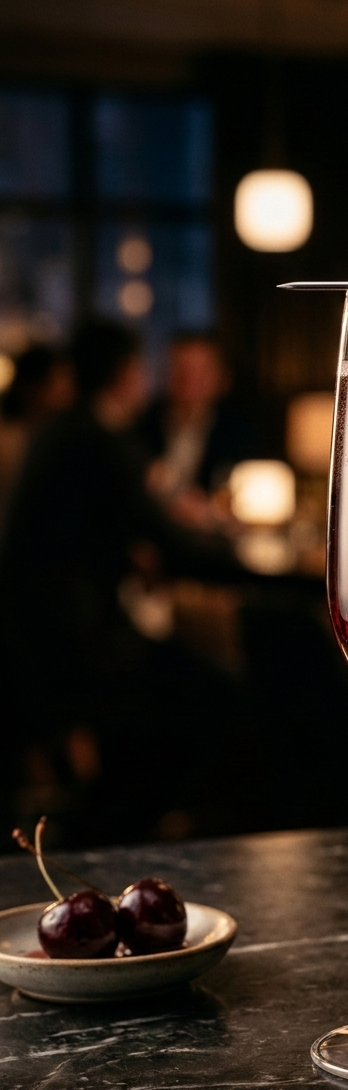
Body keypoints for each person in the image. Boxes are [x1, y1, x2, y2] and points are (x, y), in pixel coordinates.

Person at [0, 318, 244, 846]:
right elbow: (169, 540)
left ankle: (110, 825)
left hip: (36, 637)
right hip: (74, 646)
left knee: (179, 698)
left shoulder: (62, 432)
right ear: (125, 374)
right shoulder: (100, 442)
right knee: (216, 696)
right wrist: (230, 544)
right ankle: (111, 835)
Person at [135, 331, 257, 528]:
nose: (189, 379)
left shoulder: (239, 430)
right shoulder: (141, 424)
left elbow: (249, 499)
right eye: (180, 370)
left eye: (200, 371)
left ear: (222, 377)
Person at [0, 343, 74, 532]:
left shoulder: (49, 438)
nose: (68, 389)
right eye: (59, 379)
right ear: (33, 387)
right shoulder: (10, 442)